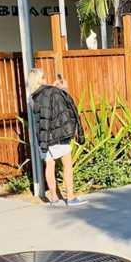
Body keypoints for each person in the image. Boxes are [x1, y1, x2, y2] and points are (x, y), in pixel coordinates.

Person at [27, 69, 86, 206]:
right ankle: (70, 197)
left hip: (43, 136)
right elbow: (65, 105)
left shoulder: (32, 98)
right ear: (39, 79)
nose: (46, 79)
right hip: (57, 135)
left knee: (49, 164)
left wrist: (54, 88)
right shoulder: (52, 91)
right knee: (67, 165)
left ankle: (54, 198)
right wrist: (63, 88)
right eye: (43, 77)